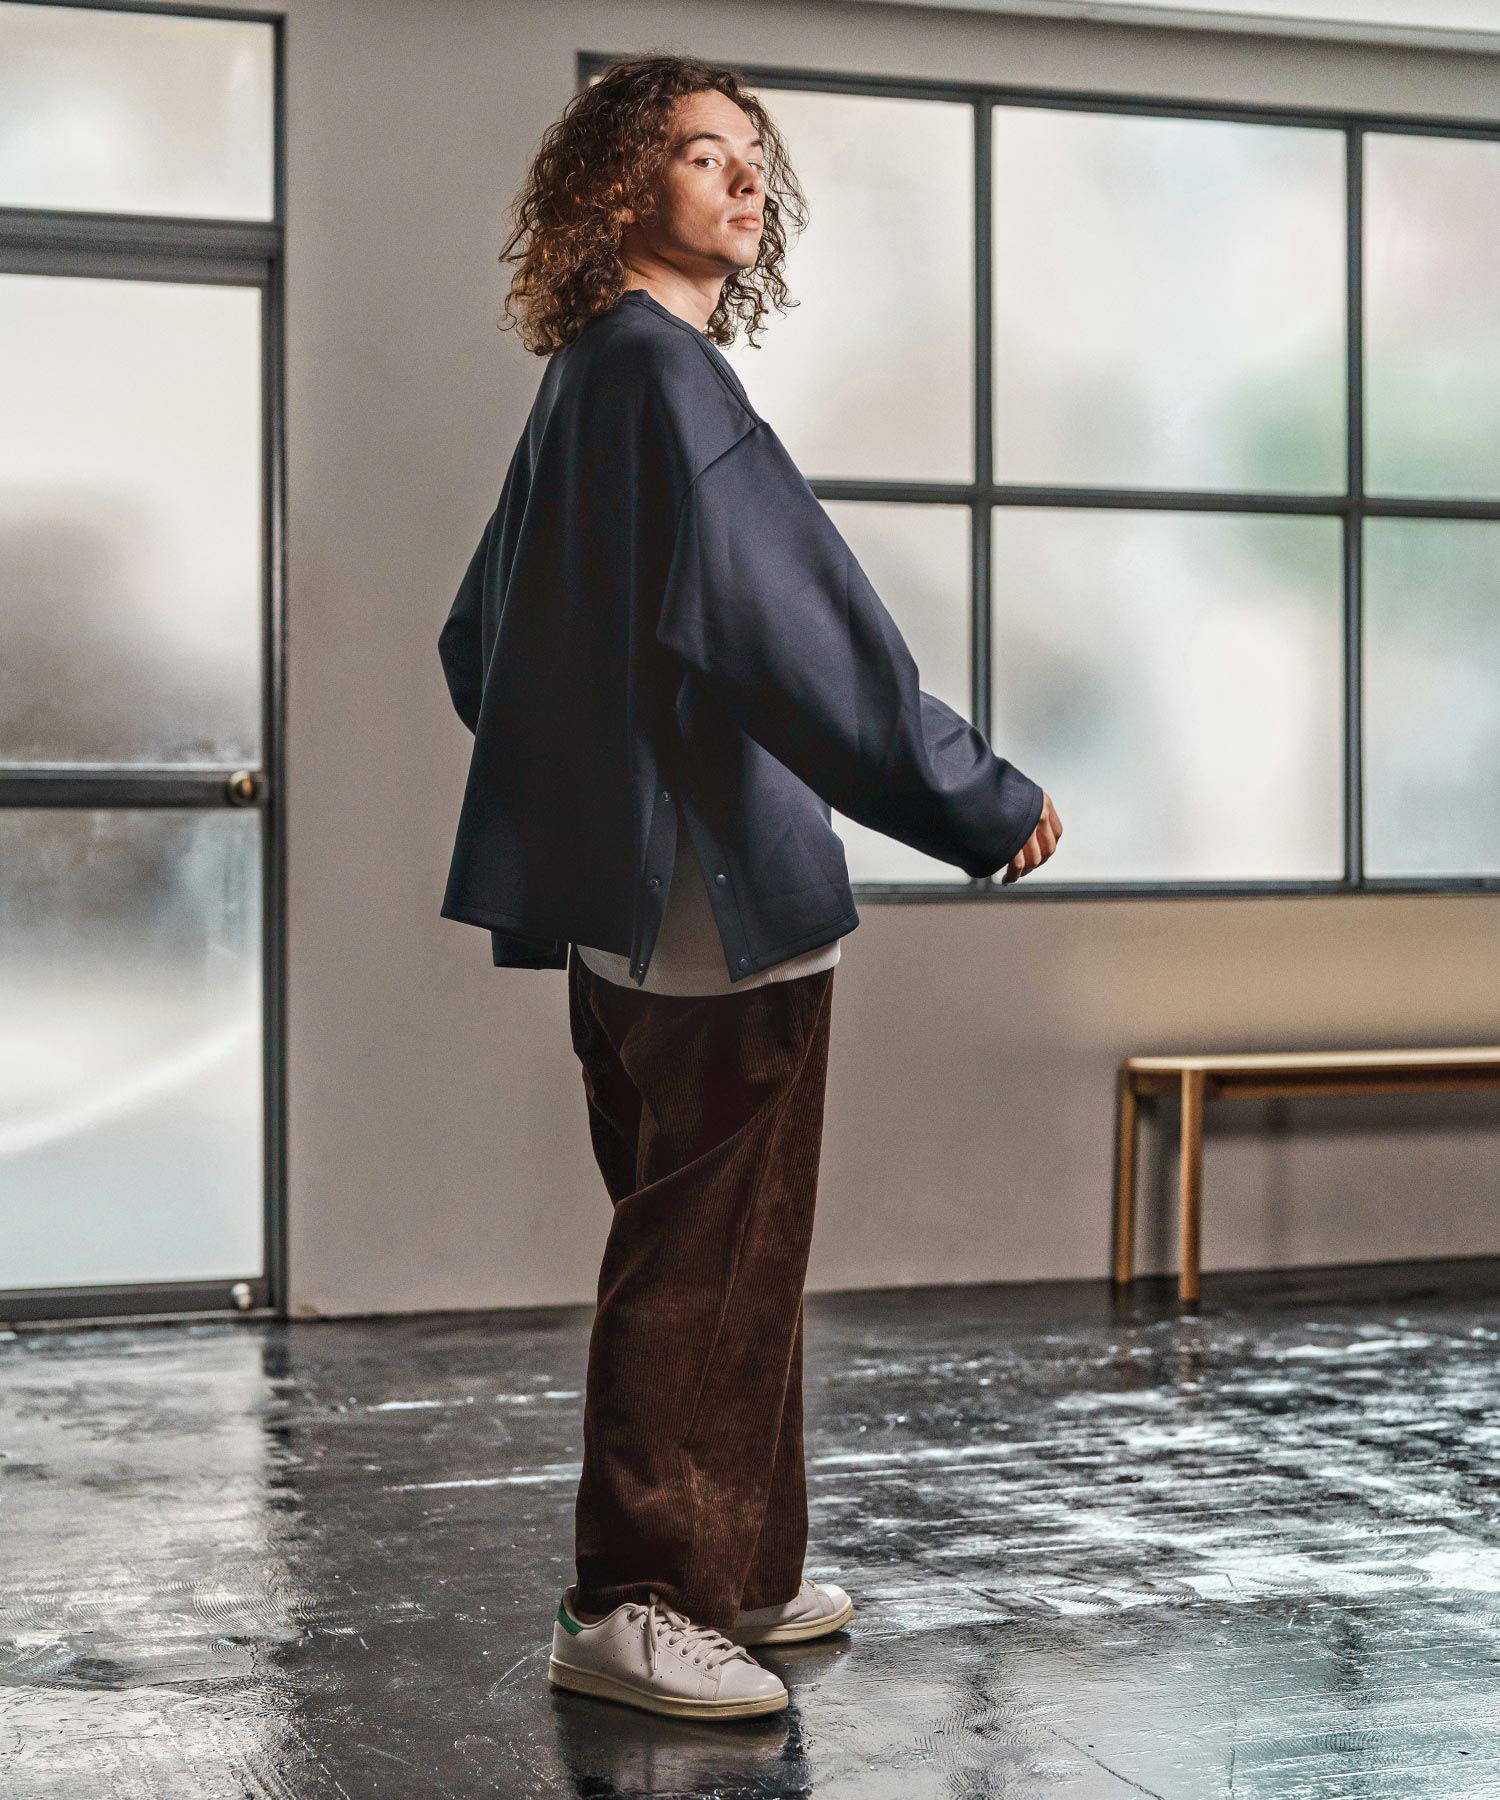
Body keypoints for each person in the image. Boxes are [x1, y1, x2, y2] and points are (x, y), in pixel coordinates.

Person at [437, 52, 1062, 1723]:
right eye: (701, 153)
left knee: (725, 1249)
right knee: (709, 1261)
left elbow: (476, 643)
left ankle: (741, 1572)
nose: (743, 180)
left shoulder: (586, 376)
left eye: (752, 160)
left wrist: (598, 786)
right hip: (721, 910)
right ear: (619, 182)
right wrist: (975, 796)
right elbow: (807, 643)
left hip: (626, 919)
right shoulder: (671, 383)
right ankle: (635, 1602)